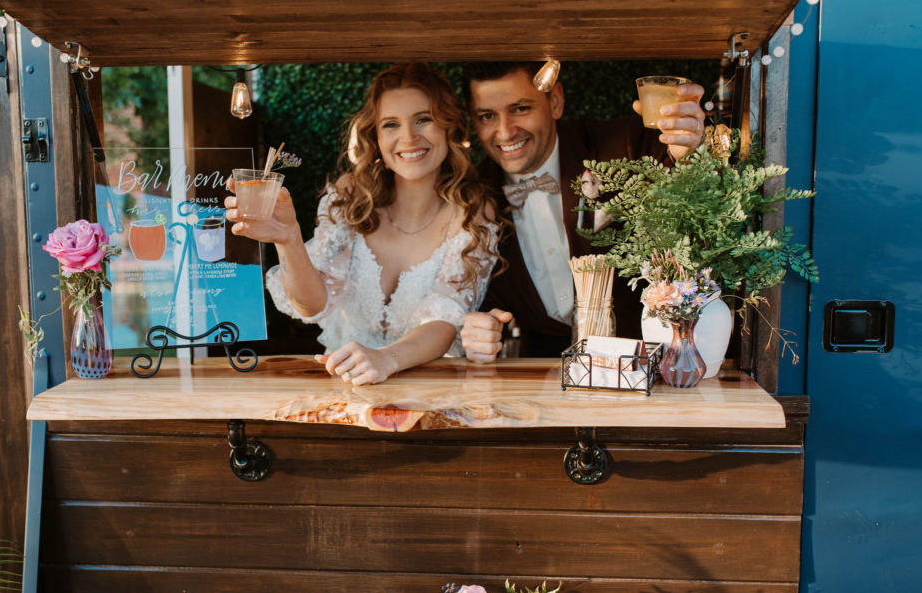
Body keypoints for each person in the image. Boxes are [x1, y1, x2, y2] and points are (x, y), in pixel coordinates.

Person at [225, 63, 500, 385]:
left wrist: (386, 358)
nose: (408, 138)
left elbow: (445, 322)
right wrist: (289, 239)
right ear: (377, 136)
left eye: (423, 119)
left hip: (432, 387)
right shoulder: (351, 195)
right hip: (341, 383)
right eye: (391, 124)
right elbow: (312, 305)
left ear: (448, 128)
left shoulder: (474, 213)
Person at [458, 62, 706, 361]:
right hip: (540, 374)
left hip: (647, 364)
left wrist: (687, 149)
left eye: (521, 109)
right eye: (487, 116)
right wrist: (478, 328)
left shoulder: (624, 145)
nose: (505, 131)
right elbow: (478, 293)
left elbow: (683, 180)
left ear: (555, 101)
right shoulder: (472, 195)